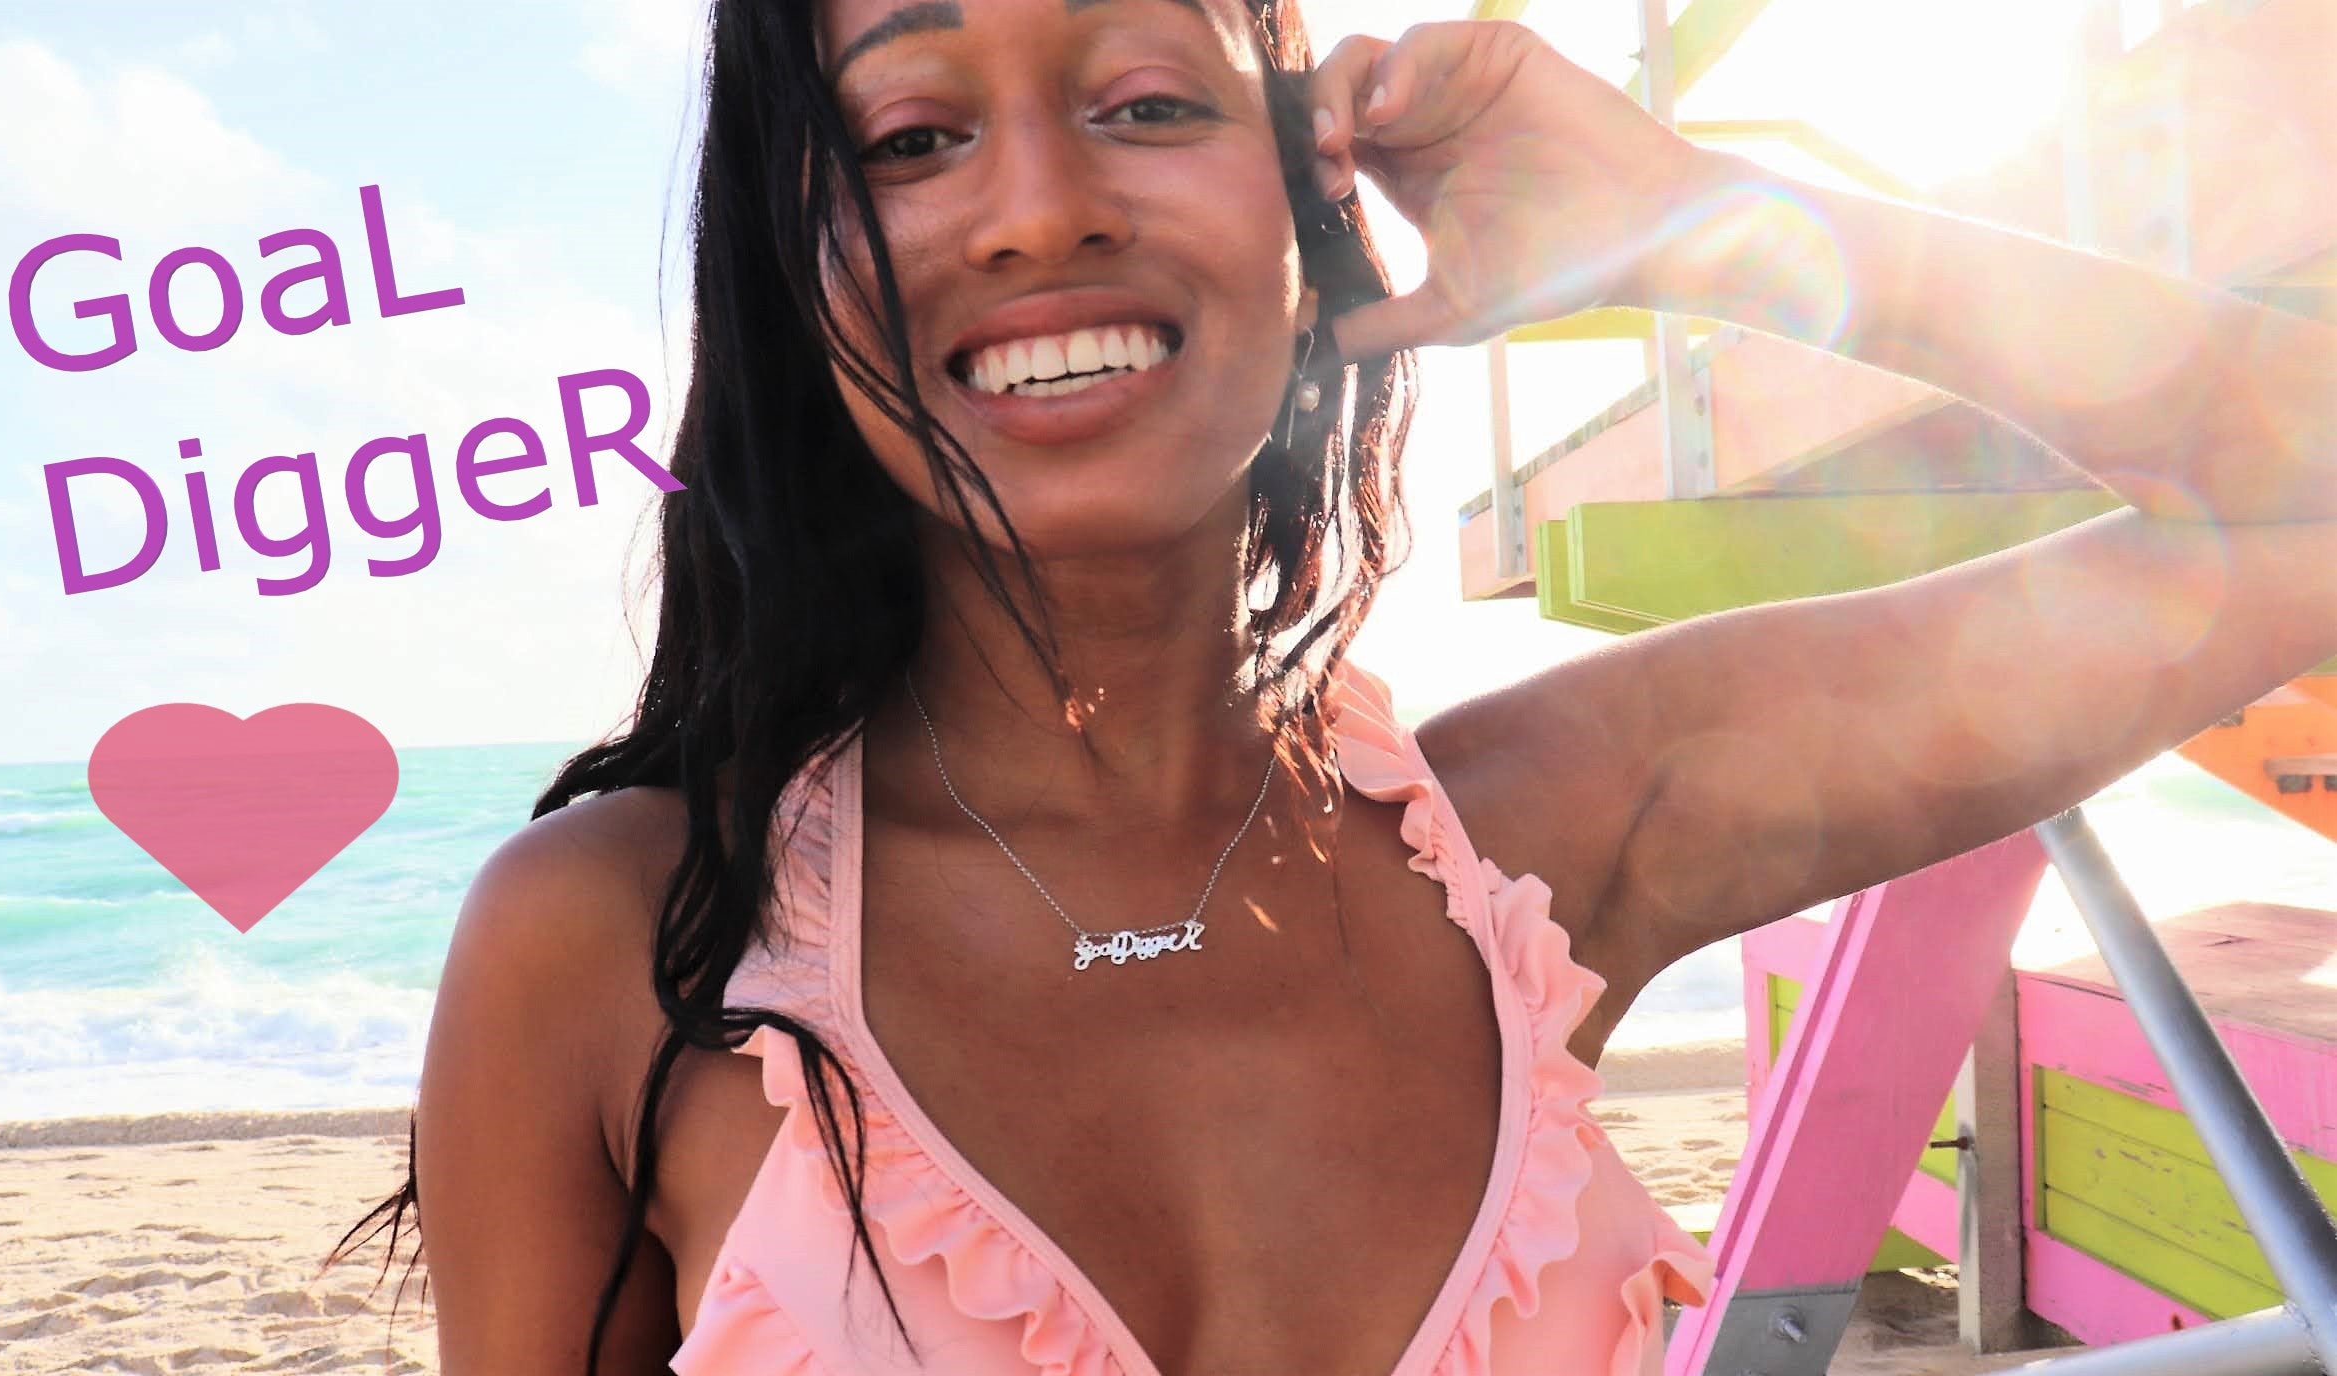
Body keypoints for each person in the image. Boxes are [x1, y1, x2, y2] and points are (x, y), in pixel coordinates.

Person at [331, 0, 2337, 1371]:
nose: (1041, 207)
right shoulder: (621, 950)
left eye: (1144, 101)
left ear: (1309, 224)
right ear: (790, 276)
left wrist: (1716, 227)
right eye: (913, 134)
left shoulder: (1546, 844)